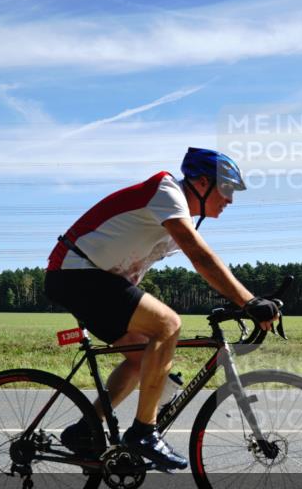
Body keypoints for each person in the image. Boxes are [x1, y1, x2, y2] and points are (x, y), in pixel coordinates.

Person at [44, 148, 280, 470]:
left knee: (143, 358)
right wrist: (248, 301)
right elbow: (201, 257)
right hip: (77, 272)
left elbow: (202, 263)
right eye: (226, 189)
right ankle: (144, 432)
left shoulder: (177, 215)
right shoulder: (166, 190)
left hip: (87, 279)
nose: (230, 200)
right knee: (167, 324)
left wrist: (239, 302)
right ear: (200, 182)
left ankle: (85, 430)